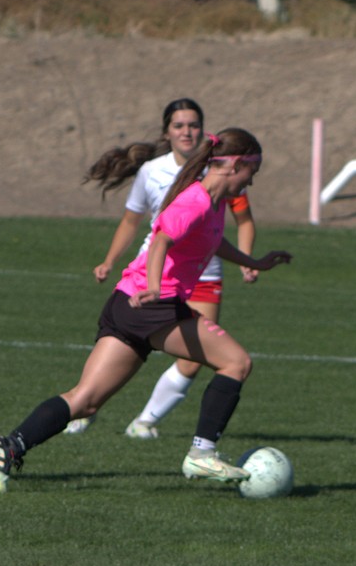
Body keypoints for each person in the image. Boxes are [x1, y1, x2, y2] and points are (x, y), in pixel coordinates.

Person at [0, 128, 291, 493]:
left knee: (86, 401)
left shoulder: (213, 203)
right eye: (253, 171)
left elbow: (211, 240)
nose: (252, 180)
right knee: (236, 363)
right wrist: (156, 286)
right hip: (151, 305)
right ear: (236, 164)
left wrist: (253, 262)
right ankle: (202, 453)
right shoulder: (196, 200)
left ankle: (8, 446)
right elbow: (161, 241)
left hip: (127, 304)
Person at [63, 98, 260, 440]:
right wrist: (110, 260)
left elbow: (242, 220)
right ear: (166, 131)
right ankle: (87, 406)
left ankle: (145, 421)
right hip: (157, 276)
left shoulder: (222, 173)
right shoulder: (153, 172)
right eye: (179, 125)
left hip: (204, 276)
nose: (187, 132)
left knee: (200, 359)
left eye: (194, 125)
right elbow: (137, 224)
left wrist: (250, 260)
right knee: (216, 357)